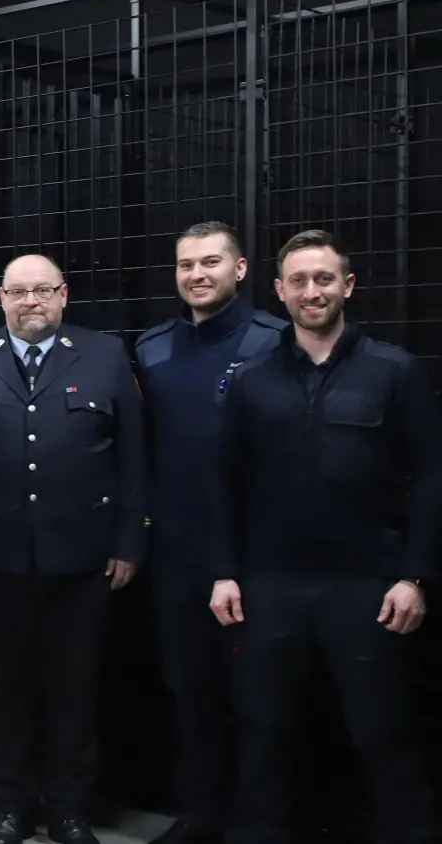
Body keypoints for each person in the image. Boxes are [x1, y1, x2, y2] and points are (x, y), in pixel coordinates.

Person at [212, 229, 440, 844]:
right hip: (269, 588)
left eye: (325, 279)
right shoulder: (253, 379)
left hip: (367, 588)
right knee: (265, 734)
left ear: (348, 286)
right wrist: (225, 571)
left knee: (384, 734)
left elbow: (429, 480)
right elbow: (225, 483)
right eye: (300, 281)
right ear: (279, 291)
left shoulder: (396, 371)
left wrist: (414, 575)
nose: (313, 292)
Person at [0, 253, 147, 844]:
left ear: (63, 296)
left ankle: (69, 808)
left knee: (74, 690)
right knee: (4, 691)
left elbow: (133, 460)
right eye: (18, 293)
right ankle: (10, 806)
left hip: (83, 561)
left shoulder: (105, 355)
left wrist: (130, 539)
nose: (31, 302)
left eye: (43, 291)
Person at [131, 222, 285, 844]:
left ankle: (259, 822)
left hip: (257, 555)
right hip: (175, 555)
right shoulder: (152, 347)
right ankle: (200, 814)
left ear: (241, 269)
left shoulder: (276, 342)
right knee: (189, 692)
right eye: (186, 264)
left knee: (259, 699)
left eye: (210, 262)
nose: (197, 274)